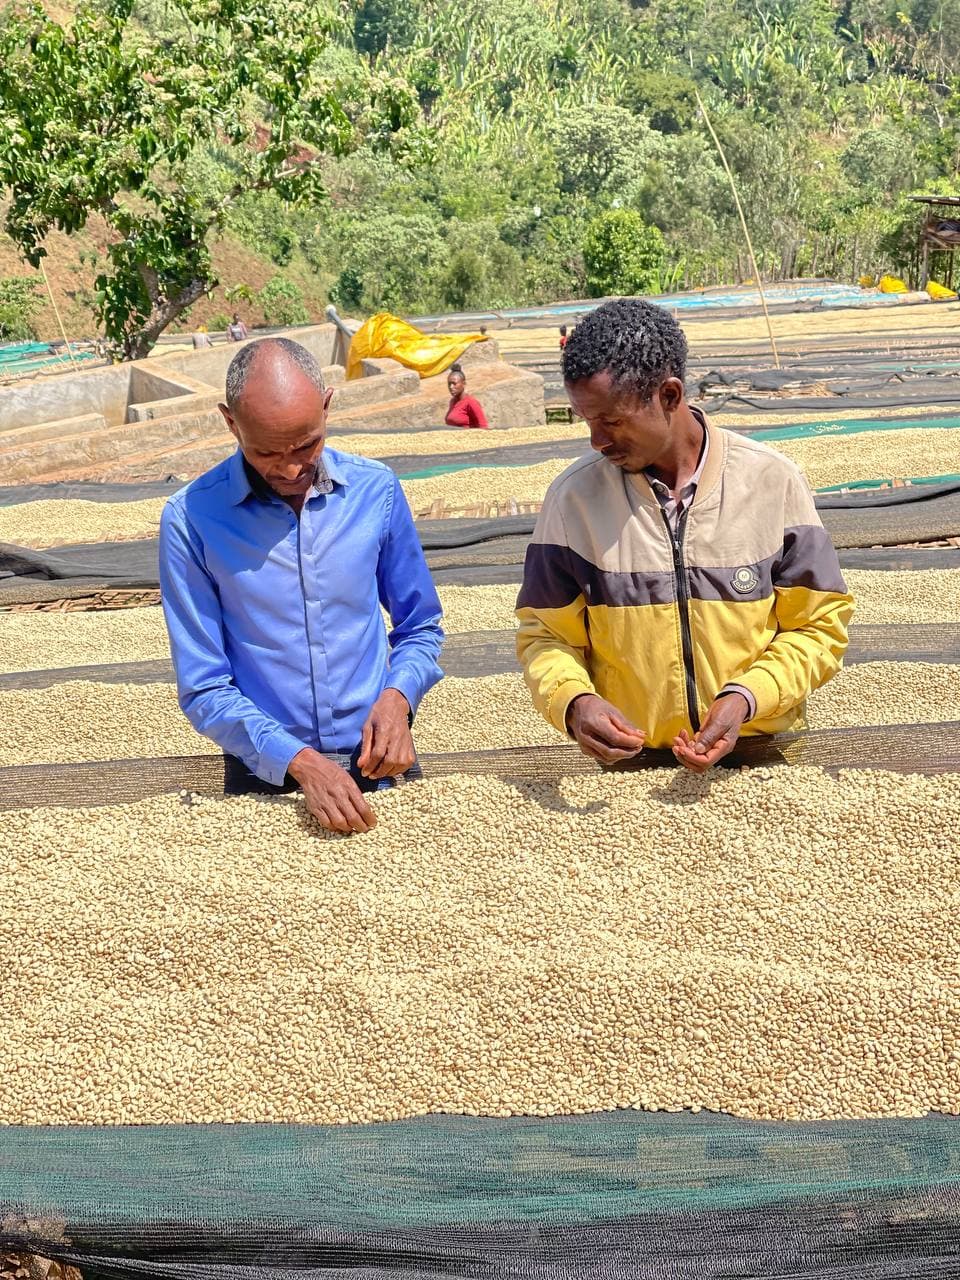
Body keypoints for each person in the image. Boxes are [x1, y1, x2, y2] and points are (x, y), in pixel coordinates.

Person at [516, 298, 853, 774]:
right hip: (632, 770)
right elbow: (545, 636)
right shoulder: (574, 500)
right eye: (587, 420)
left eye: (611, 420)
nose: (596, 440)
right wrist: (573, 702)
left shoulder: (771, 481)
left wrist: (747, 697)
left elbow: (817, 627)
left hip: (765, 760)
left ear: (669, 396)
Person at [159, 337, 444, 835]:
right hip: (265, 776)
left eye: (307, 445)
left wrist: (398, 699)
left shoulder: (376, 491)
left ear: (328, 406)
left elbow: (420, 626)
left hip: (381, 760)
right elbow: (203, 684)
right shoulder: (192, 519)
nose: (290, 468)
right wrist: (301, 762)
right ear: (230, 423)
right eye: (267, 451)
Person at [445, 363, 489, 429]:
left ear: (464, 384)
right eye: (449, 384)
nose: (451, 387)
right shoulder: (452, 402)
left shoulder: (471, 402)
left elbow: (483, 426)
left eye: (454, 384)